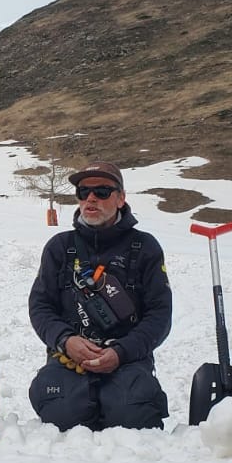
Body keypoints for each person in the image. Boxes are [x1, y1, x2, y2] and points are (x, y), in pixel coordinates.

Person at [28, 161, 172, 431]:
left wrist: (121, 351)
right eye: (83, 192)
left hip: (128, 359)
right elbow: (41, 306)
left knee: (132, 417)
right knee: (62, 416)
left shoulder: (145, 247)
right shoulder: (59, 247)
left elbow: (160, 315)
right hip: (69, 359)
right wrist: (66, 341)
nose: (91, 198)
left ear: (121, 198)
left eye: (102, 192)